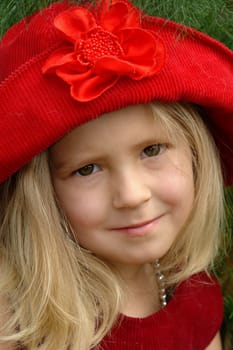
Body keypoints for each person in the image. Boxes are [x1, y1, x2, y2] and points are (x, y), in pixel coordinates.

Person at [0, 0, 232, 349]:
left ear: (197, 154)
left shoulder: (189, 286)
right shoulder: (21, 323)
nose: (133, 195)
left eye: (151, 150)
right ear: (41, 194)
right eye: (87, 169)